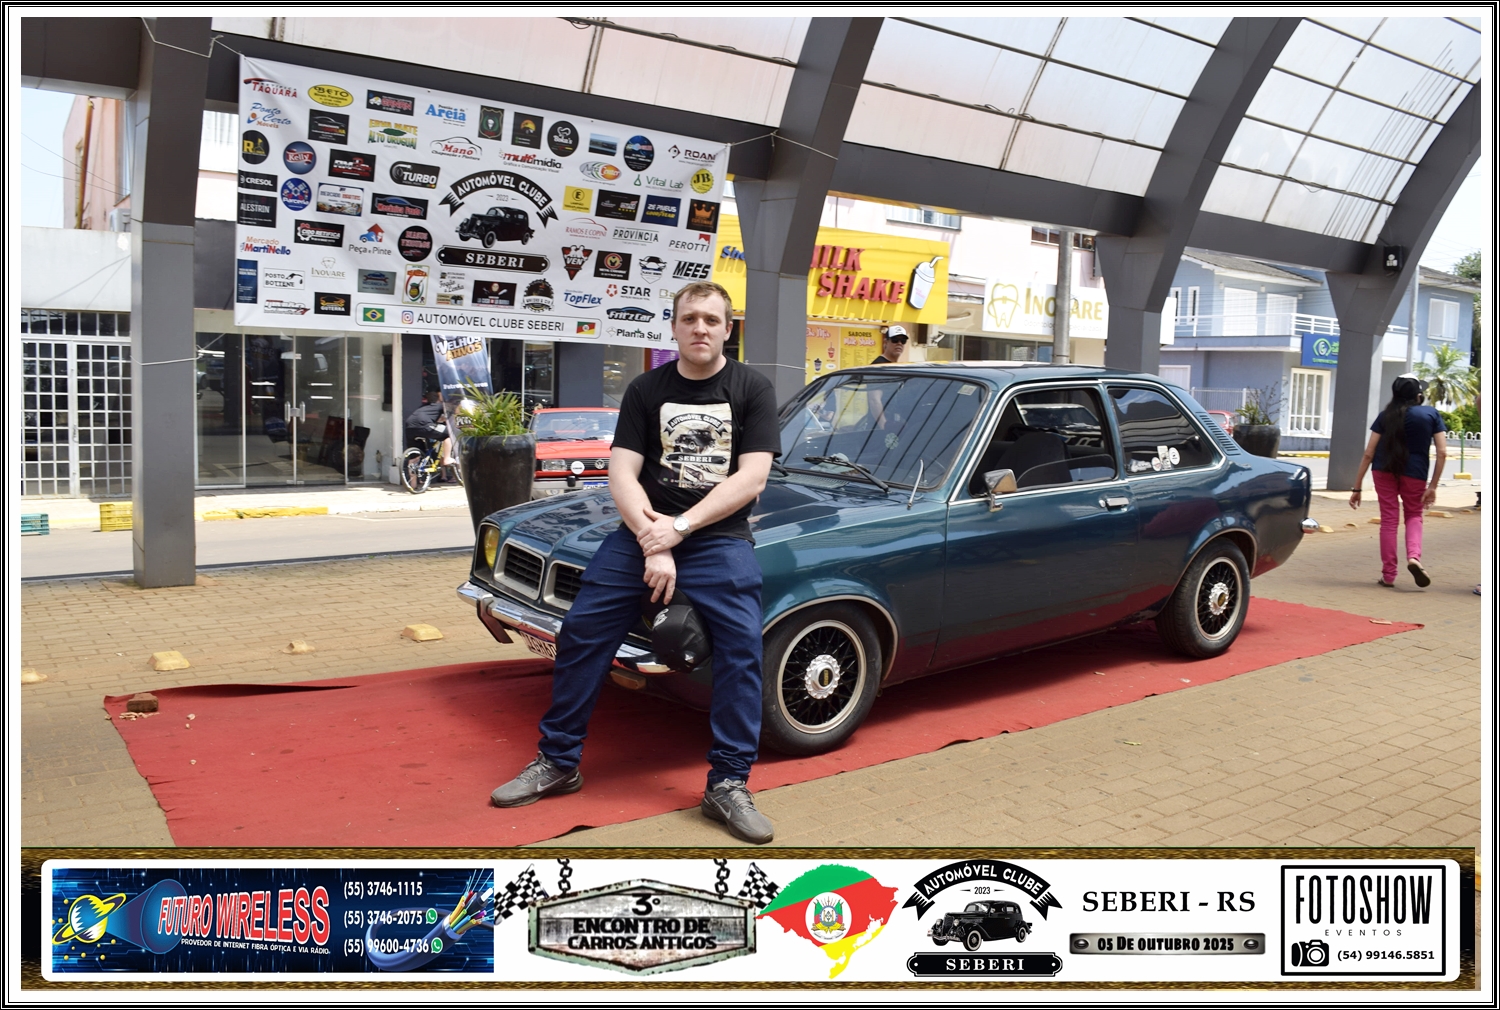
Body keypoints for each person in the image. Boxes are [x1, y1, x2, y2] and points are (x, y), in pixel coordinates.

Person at [490, 281, 782, 844]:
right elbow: (621, 472)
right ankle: (559, 761)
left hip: (718, 538)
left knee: (743, 651)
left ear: (728, 329)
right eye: (689, 318)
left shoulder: (752, 388)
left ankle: (728, 783)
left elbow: (752, 478)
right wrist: (656, 540)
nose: (700, 328)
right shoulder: (647, 388)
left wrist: (679, 529)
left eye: (712, 320)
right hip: (642, 533)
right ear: (673, 327)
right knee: (582, 632)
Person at [1349, 375, 1448, 587]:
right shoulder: (1431, 414)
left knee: (1389, 520)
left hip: (1383, 471)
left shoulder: (1385, 416)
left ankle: (1389, 575)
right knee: (1414, 515)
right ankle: (1414, 557)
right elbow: (1442, 452)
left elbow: (1368, 453)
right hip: (1415, 473)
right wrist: (1433, 486)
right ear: (1418, 395)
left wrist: (1357, 488)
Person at [404, 399, 455, 468]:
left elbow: (436, 418)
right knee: (449, 434)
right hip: (424, 424)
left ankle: (412, 474)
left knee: (415, 457)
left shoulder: (426, 408)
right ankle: (447, 458)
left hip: (409, 427)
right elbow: (452, 414)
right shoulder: (442, 406)